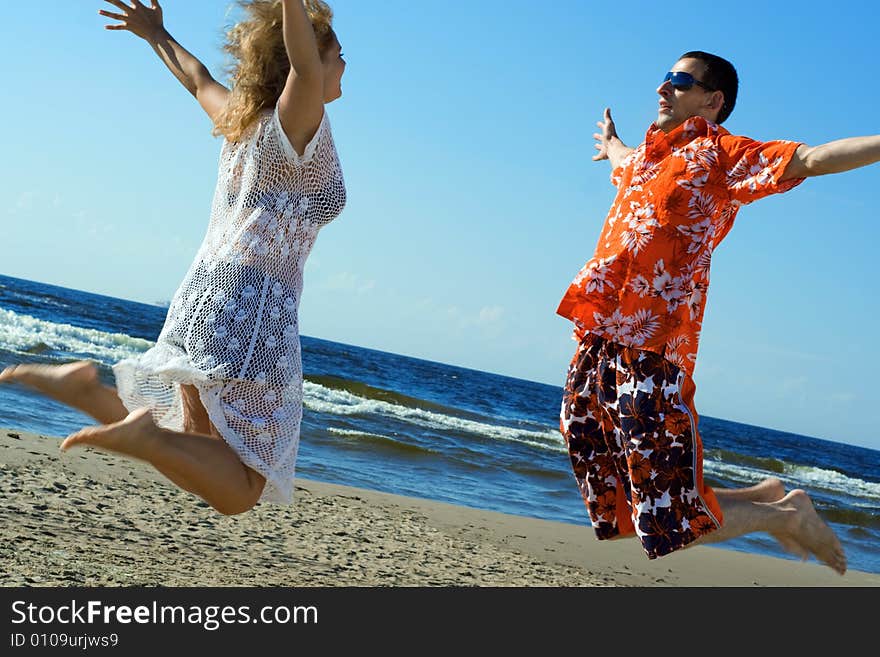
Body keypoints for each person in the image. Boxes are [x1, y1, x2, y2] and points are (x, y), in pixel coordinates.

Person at [0, 0, 347, 515]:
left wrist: (155, 33)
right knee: (243, 486)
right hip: (252, 307)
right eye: (336, 55)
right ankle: (136, 428)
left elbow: (197, 77)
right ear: (310, 64)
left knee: (198, 444)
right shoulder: (297, 123)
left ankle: (90, 390)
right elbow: (300, 66)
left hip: (204, 295)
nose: (343, 65)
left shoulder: (240, 123)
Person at [557, 51, 880, 575]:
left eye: (680, 81)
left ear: (713, 101)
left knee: (666, 523)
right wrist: (612, 144)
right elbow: (622, 162)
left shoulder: (722, 156)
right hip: (597, 338)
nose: (664, 88)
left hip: (654, 346)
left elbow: (813, 160)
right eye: (663, 78)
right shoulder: (645, 159)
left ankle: (787, 516)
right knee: (613, 508)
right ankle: (767, 495)